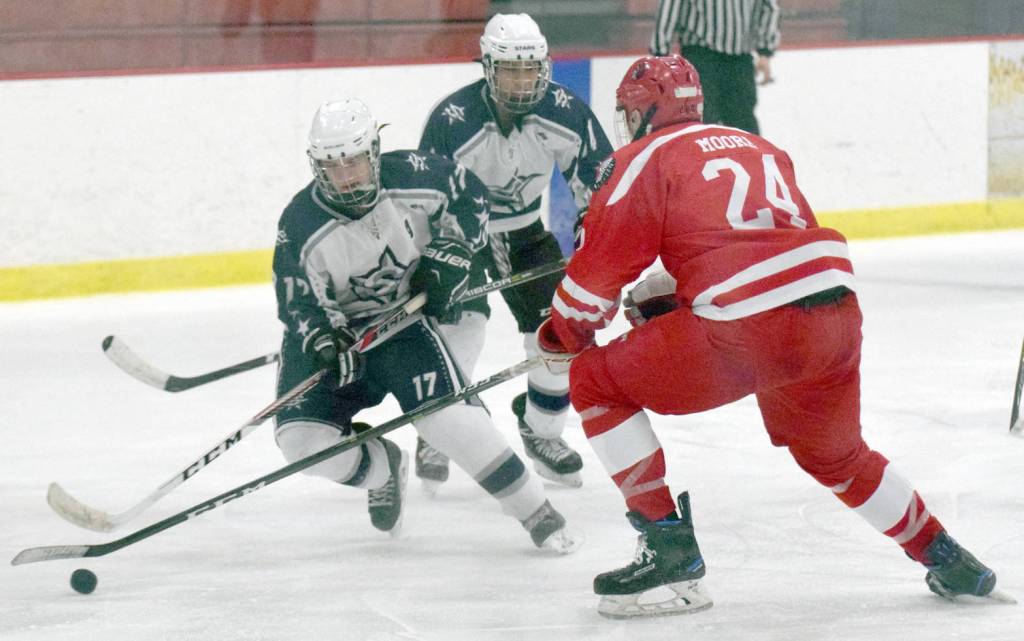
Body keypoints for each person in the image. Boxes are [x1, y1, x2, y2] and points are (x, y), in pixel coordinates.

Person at [536, 55, 1000, 618]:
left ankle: (669, 559)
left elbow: (592, 285)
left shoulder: (639, 159)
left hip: (748, 328)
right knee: (837, 455)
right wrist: (683, 300)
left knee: (595, 381)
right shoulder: (758, 145)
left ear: (639, 113)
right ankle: (947, 557)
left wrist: (562, 338)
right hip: (832, 316)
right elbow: (768, 242)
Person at [271, 98, 581, 554]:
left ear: (374, 151)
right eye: (333, 166)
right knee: (301, 443)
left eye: (354, 161)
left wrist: (450, 254)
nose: (347, 175)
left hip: (402, 326)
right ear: (316, 167)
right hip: (339, 336)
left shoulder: (417, 175)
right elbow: (297, 301)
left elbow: (471, 197)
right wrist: (324, 339)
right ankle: (383, 468)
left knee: (447, 418)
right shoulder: (300, 223)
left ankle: (534, 510)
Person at [416, 12, 614, 492]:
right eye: (510, 69)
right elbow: (422, 202)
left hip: (527, 236)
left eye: (530, 68)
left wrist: (597, 241)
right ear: (488, 67)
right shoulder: (451, 120)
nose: (522, 80)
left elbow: (602, 187)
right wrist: (429, 266)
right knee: (461, 330)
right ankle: (437, 430)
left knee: (559, 333)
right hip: (463, 243)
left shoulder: (565, 111)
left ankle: (540, 431)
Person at [650, 0, 779, 134]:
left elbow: (768, 6)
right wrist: (660, 53)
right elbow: (669, 7)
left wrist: (765, 51)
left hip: (740, 59)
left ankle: (745, 155)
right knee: (703, 122)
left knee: (743, 126)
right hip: (700, 55)